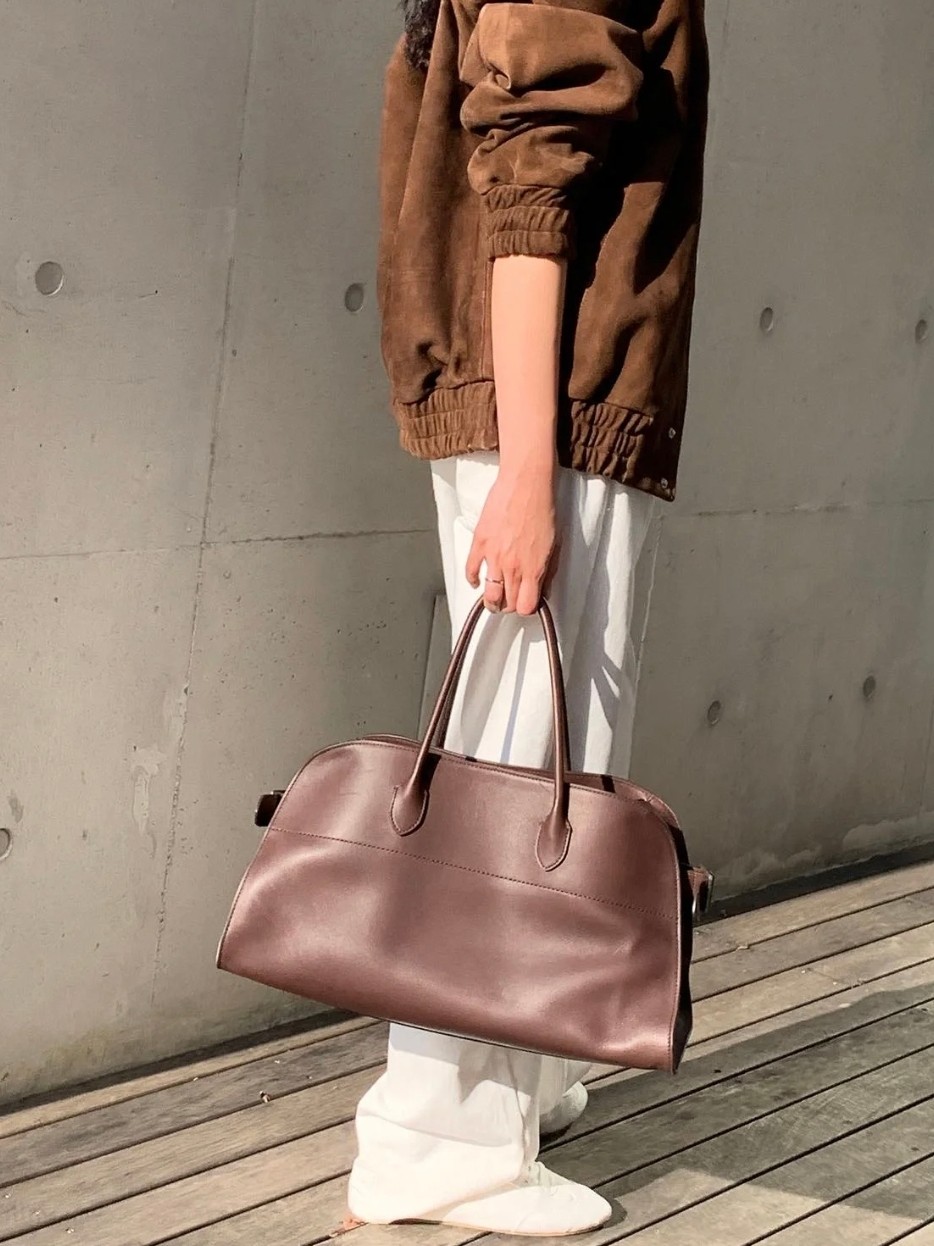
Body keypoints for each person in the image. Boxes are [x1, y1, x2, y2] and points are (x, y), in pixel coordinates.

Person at [346, 0, 709, 1233]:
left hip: (555, 406)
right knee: (512, 768)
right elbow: (529, 179)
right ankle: (437, 1135)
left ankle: (518, 1068)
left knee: (554, 762)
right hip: (555, 406)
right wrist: (526, 469)